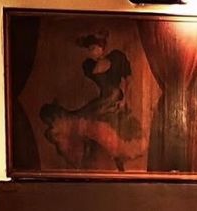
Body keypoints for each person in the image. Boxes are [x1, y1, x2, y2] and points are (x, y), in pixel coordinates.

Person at [40, 30, 145, 171]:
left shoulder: (115, 58)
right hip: (104, 98)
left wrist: (125, 98)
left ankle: (117, 161)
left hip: (116, 97)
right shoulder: (89, 65)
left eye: (94, 48)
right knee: (89, 119)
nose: (92, 52)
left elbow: (128, 80)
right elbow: (91, 82)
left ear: (102, 48)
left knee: (109, 127)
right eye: (90, 49)